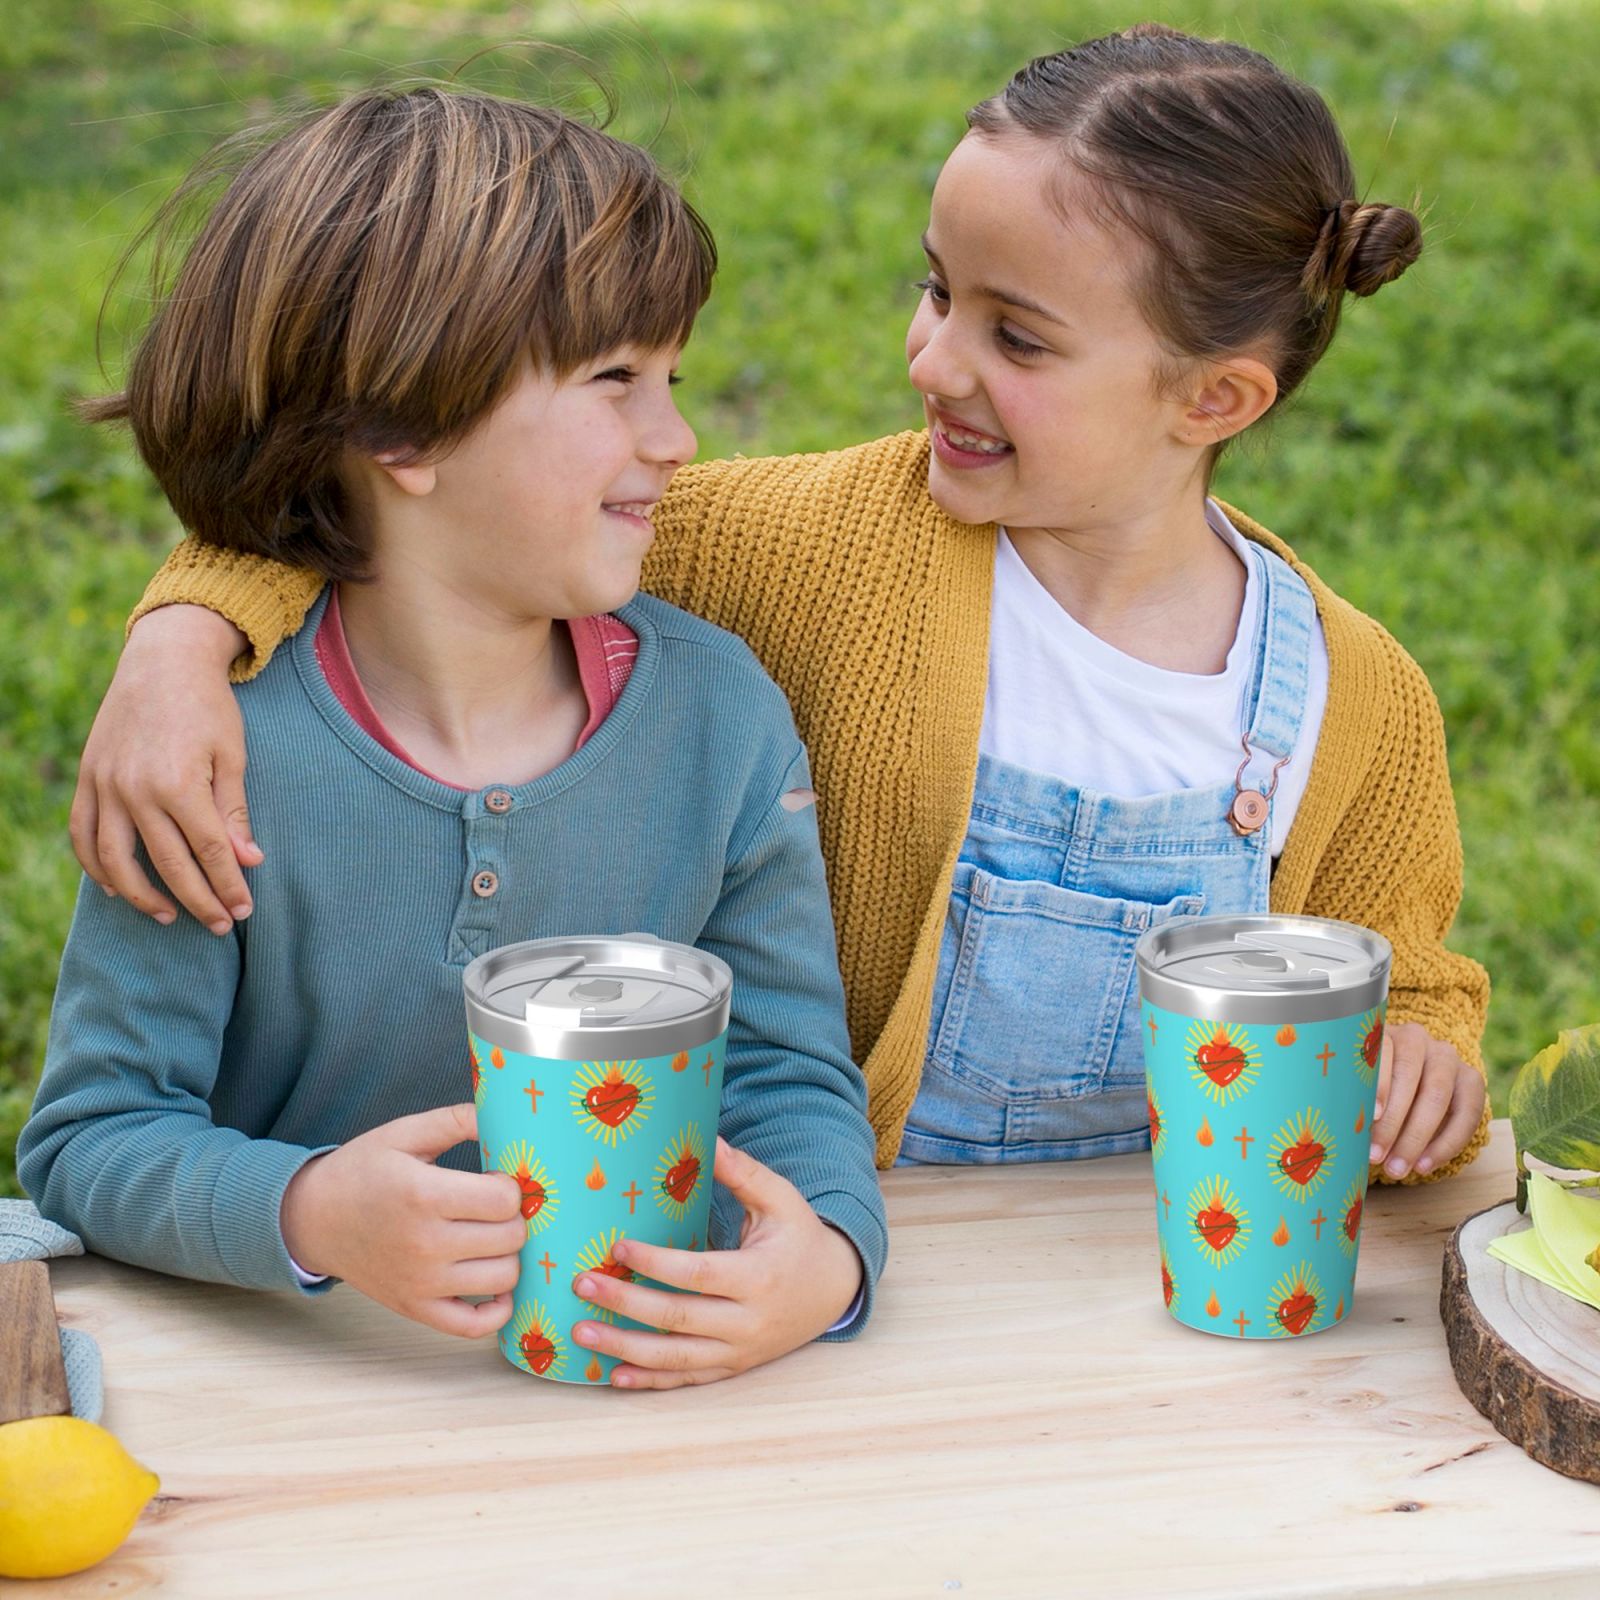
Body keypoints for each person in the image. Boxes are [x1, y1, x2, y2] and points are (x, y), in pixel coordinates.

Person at [67, 25, 1490, 1190]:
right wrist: (185, 634)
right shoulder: (810, 547)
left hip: (1163, 1276)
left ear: (1216, 398)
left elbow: (1403, 972)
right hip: (851, 1246)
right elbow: (422, 506)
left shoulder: (1353, 698)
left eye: (1018, 335)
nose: (933, 358)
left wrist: (1422, 1051)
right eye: (937, 290)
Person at [20, 86, 886, 1390]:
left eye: (673, 379)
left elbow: (781, 1070)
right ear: (399, 429)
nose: (677, 438)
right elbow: (93, 1139)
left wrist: (826, 1257)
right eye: (614, 383)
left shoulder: (723, 720)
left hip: (639, 1401)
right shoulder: (208, 758)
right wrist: (313, 1211)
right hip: (303, 1403)